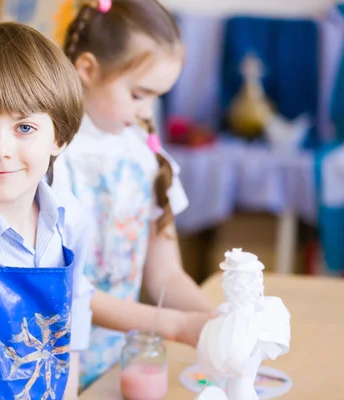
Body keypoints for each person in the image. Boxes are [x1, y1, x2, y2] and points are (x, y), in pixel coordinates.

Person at [0, 21, 212, 399]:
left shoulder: (66, 218)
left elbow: (71, 322)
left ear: (59, 137)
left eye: (24, 128)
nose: (0, 149)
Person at [56, 0, 216, 387]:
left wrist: (216, 319)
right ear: (88, 70)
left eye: (157, 96)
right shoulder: (51, 158)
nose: (148, 110)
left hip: (116, 371)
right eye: (139, 93)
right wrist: (175, 325)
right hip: (55, 374)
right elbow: (71, 293)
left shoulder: (146, 157)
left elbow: (166, 275)